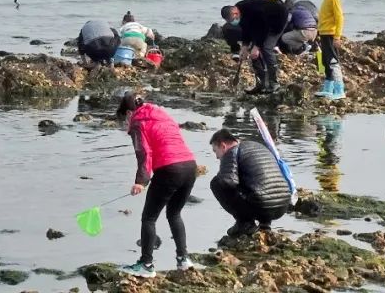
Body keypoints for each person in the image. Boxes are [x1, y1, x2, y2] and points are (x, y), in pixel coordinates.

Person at [117, 90, 197, 277]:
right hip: (189, 166)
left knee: (149, 218)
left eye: (124, 119)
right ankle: (183, 259)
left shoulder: (138, 122)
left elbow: (144, 153)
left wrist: (141, 181)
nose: (126, 124)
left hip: (170, 169)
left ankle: (146, 265)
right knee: (174, 214)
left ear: (129, 113)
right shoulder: (161, 114)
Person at [209, 128, 292, 236]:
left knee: (216, 183)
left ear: (223, 146)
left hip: (262, 205)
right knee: (253, 181)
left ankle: (244, 223)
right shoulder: (258, 146)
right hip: (282, 205)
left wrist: (221, 175)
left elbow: (228, 182)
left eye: (216, 151)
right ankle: (265, 225)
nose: (217, 157)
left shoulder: (231, 152)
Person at [221, 0, 289, 95]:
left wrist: (257, 46)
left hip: (278, 19)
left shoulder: (254, 11)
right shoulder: (241, 12)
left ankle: (274, 83)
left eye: (233, 19)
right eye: (230, 21)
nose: (233, 21)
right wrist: (244, 47)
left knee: (266, 48)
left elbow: (263, 28)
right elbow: (247, 29)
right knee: (253, 54)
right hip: (263, 24)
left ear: (235, 12)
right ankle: (261, 84)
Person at [311, 0, 346, 100]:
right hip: (324, 34)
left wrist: (337, 37)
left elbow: (340, 18)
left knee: (333, 61)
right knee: (326, 61)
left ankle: (339, 89)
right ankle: (328, 88)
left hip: (331, 34)